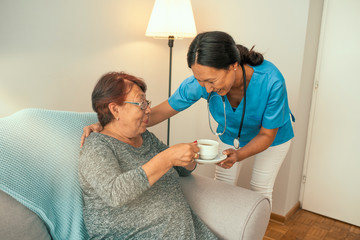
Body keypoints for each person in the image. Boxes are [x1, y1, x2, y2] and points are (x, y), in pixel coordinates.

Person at [81, 31, 294, 206]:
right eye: (200, 81)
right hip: (232, 134)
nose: (207, 88)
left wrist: (238, 155)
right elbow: (158, 113)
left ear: (233, 65)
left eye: (211, 81)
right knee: (223, 184)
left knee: (260, 186)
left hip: (272, 137)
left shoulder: (271, 81)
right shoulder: (200, 82)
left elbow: (267, 134)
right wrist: (107, 124)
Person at [78, 72, 217, 239]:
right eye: (141, 103)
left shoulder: (145, 137)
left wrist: (189, 160)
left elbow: (181, 171)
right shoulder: (97, 146)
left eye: (147, 102)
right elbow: (115, 193)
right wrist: (167, 157)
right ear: (115, 110)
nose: (149, 109)